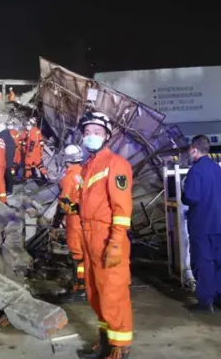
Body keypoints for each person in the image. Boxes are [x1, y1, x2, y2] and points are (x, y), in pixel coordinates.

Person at [78, 111, 133, 359]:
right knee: (94, 291)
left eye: (97, 132)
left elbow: (122, 209)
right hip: (88, 234)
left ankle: (120, 349)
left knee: (113, 292)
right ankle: (105, 344)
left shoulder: (116, 164)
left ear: (107, 136)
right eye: (87, 132)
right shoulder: (88, 166)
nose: (91, 136)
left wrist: (116, 242)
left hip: (105, 235)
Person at [182, 135, 221, 314]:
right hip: (220, 224)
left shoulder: (195, 171)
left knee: (203, 262)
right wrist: (216, 205)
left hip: (201, 224)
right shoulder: (218, 169)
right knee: (219, 262)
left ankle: (206, 302)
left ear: (194, 149)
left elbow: (190, 197)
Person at [58, 144, 86, 297]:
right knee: (86, 251)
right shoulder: (85, 172)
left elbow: (65, 203)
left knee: (77, 254)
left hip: (74, 220)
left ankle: (80, 286)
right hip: (88, 219)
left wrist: (57, 221)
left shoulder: (68, 179)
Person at [0, 122, 17, 195]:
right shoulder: (8, 135)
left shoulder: (3, 135)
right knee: (8, 173)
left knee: (7, 174)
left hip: (6, 158)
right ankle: (9, 190)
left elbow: (0, 147)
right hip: (10, 158)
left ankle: (9, 190)